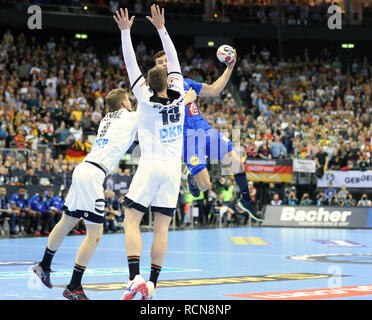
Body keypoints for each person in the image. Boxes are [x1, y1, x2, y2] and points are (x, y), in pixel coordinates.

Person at [114, 5, 193, 301]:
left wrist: (125, 31)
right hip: (173, 170)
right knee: (162, 227)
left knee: (131, 220)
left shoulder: (144, 99)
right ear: (170, 80)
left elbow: (130, 62)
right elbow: (173, 59)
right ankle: (153, 284)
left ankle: (134, 278)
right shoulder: (180, 94)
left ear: (148, 84)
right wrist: (161, 28)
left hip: (151, 165)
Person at [32, 87, 138, 300]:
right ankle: (74, 286)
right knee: (95, 235)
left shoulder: (107, 119)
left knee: (66, 222)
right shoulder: (130, 117)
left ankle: (44, 265)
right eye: (129, 100)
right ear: (125, 103)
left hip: (82, 169)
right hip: (93, 174)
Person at [154, 32, 263, 224]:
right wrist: (183, 102)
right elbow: (160, 116)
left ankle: (247, 200)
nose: (164, 64)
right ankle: (193, 179)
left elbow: (214, 90)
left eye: (166, 60)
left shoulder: (186, 83)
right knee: (205, 186)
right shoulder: (156, 92)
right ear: (156, 68)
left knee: (236, 161)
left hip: (204, 130)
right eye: (160, 62)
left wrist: (230, 67)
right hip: (186, 139)